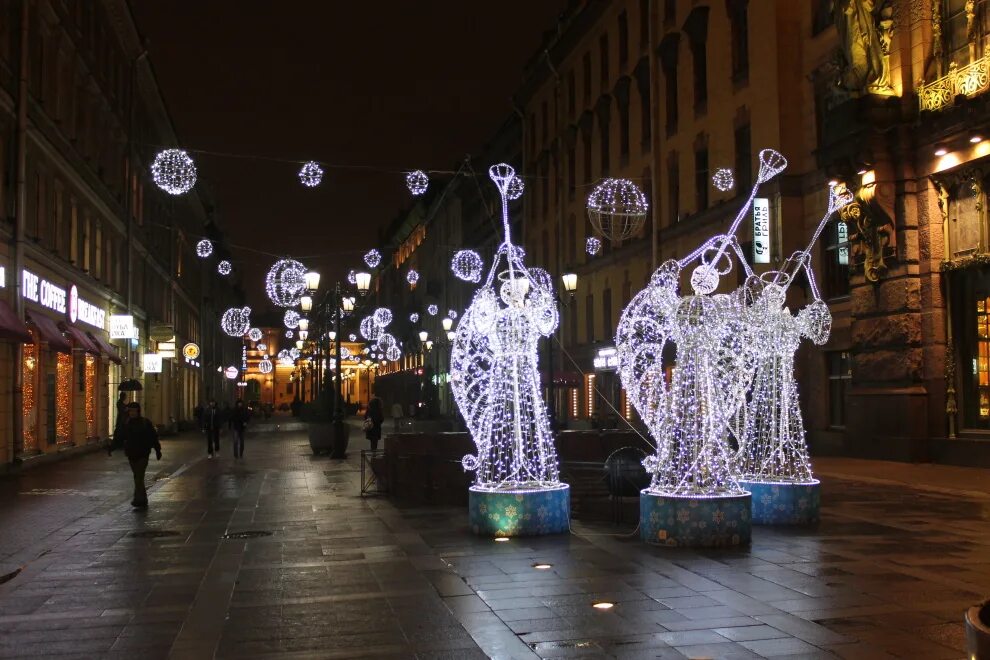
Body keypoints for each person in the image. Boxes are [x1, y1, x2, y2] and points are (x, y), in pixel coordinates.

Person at [109, 402, 161, 508]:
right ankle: (143, 499)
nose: (132, 413)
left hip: (143, 453)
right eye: (130, 411)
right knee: (137, 476)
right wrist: (111, 448)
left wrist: (157, 450)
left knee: (139, 476)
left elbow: (153, 437)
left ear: (138, 411)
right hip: (131, 454)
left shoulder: (145, 423)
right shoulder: (126, 423)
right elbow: (119, 437)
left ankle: (138, 499)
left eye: (134, 410)